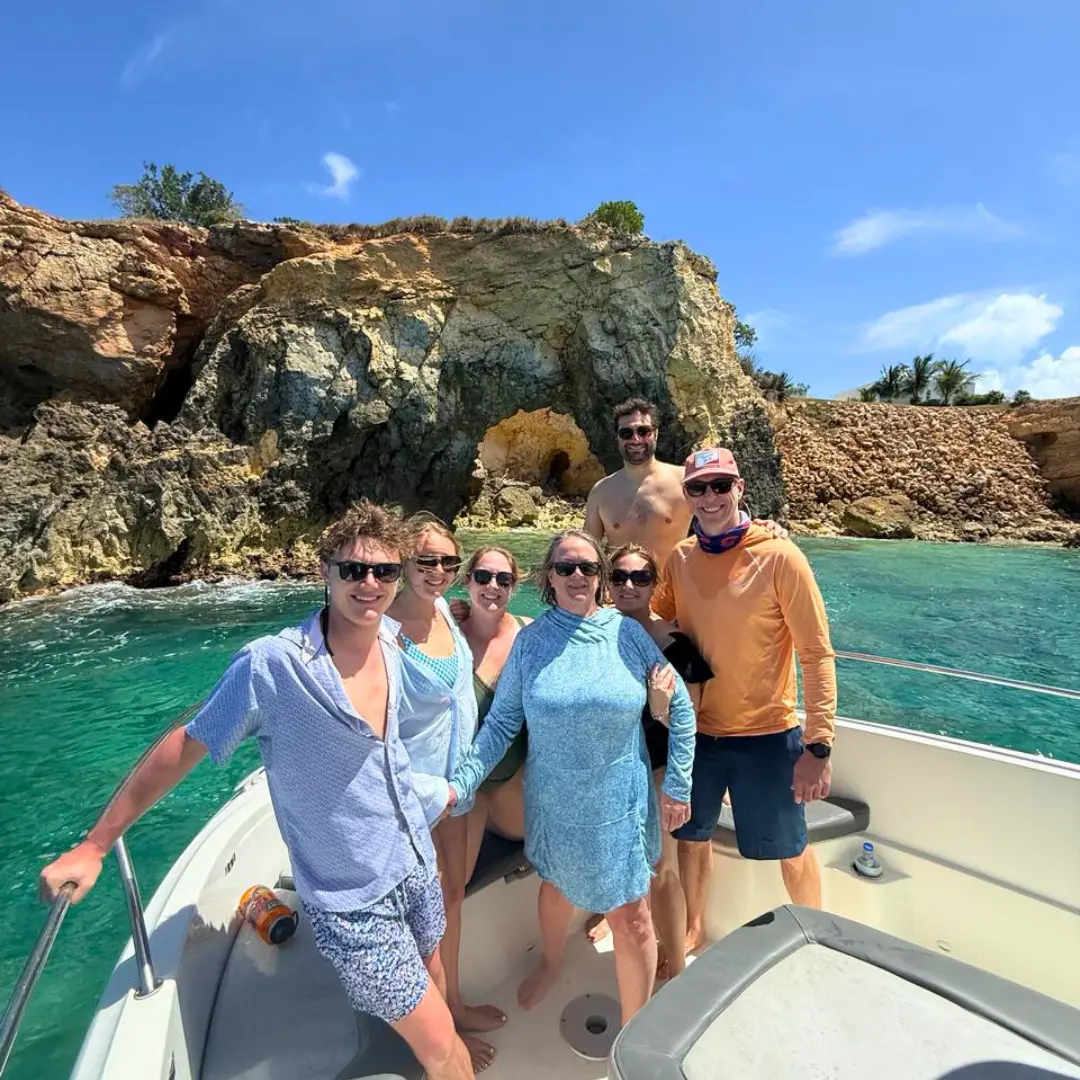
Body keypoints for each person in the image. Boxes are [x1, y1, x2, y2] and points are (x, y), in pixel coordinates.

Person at [38, 501, 473, 1080]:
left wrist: (469, 612)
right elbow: (184, 746)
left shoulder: (392, 639)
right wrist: (95, 846)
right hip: (351, 899)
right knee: (443, 1048)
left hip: (413, 858)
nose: (369, 584)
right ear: (324, 571)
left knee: (434, 973)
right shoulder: (272, 667)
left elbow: (429, 642)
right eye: (352, 571)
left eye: (384, 572)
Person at [446, 530, 696, 1027]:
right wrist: (463, 781)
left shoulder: (627, 637)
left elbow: (682, 708)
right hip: (554, 800)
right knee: (556, 886)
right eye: (565, 567)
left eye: (587, 567)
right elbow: (502, 723)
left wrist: (678, 785)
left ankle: (633, 1034)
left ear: (600, 576)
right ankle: (551, 961)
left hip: (618, 802)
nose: (577, 575)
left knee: (633, 917)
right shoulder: (532, 642)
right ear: (549, 579)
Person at [652, 447, 838, 961]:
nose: (709, 497)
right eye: (698, 488)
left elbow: (817, 654)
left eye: (720, 485)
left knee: (791, 847)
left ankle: (818, 936)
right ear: (686, 496)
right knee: (692, 839)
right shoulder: (681, 559)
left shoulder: (781, 555)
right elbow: (655, 616)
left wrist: (818, 745)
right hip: (697, 735)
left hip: (767, 736)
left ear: (740, 489)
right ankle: (692, 930)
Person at [387, 514, 500, 1073]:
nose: (438, 571)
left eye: (448, 563)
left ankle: (451, 1005)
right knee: (423, 918)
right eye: (426, 560)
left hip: (463, 788)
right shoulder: (382, 631)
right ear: (402, 561)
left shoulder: (446, 617)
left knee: (451, 899)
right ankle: (434, 1037)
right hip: (415, 800)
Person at [609, 543, 713, 982]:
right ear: (606, 583)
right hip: (610, 770)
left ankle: (675, 960)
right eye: (619, 577)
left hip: (655, 770)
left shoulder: (676, 645)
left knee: (661, 869)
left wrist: (659, 707)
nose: (629, 585)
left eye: (641, 577)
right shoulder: (594, 634)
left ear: (656, 585)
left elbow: (690, 721)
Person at [456, 546, 530, 865]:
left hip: (512, 787)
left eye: (504, 579)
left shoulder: (531, 634)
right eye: (484, 577)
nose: (493, 586)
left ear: (513, 587)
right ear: (468, 581)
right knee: (450, 886)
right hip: (461, 785)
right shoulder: (446, 634)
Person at [585, 397, 692, 569]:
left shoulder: (685, 481)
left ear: (656, 433)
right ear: (618, 437)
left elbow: (718, 527)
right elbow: (587, 555)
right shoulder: (601, 492)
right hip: (621, 593)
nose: (635, 439)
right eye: (626, 433)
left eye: (643, 431)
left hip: (672, 594)